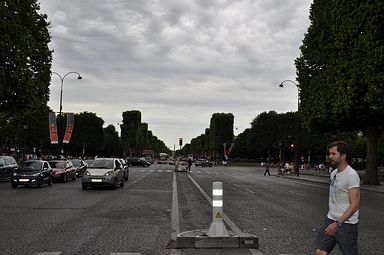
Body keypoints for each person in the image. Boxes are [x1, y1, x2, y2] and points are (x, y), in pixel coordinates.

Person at [314, 141, 360, 255]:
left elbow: (355, 204)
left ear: (343, 156)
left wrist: (337, 223)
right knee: (320, 252)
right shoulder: (333, 173)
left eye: (334, 154)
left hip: (346, 224)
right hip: (330, 219)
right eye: (330, 154)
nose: (330, 157)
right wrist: (333, 221)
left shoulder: (351, 175)